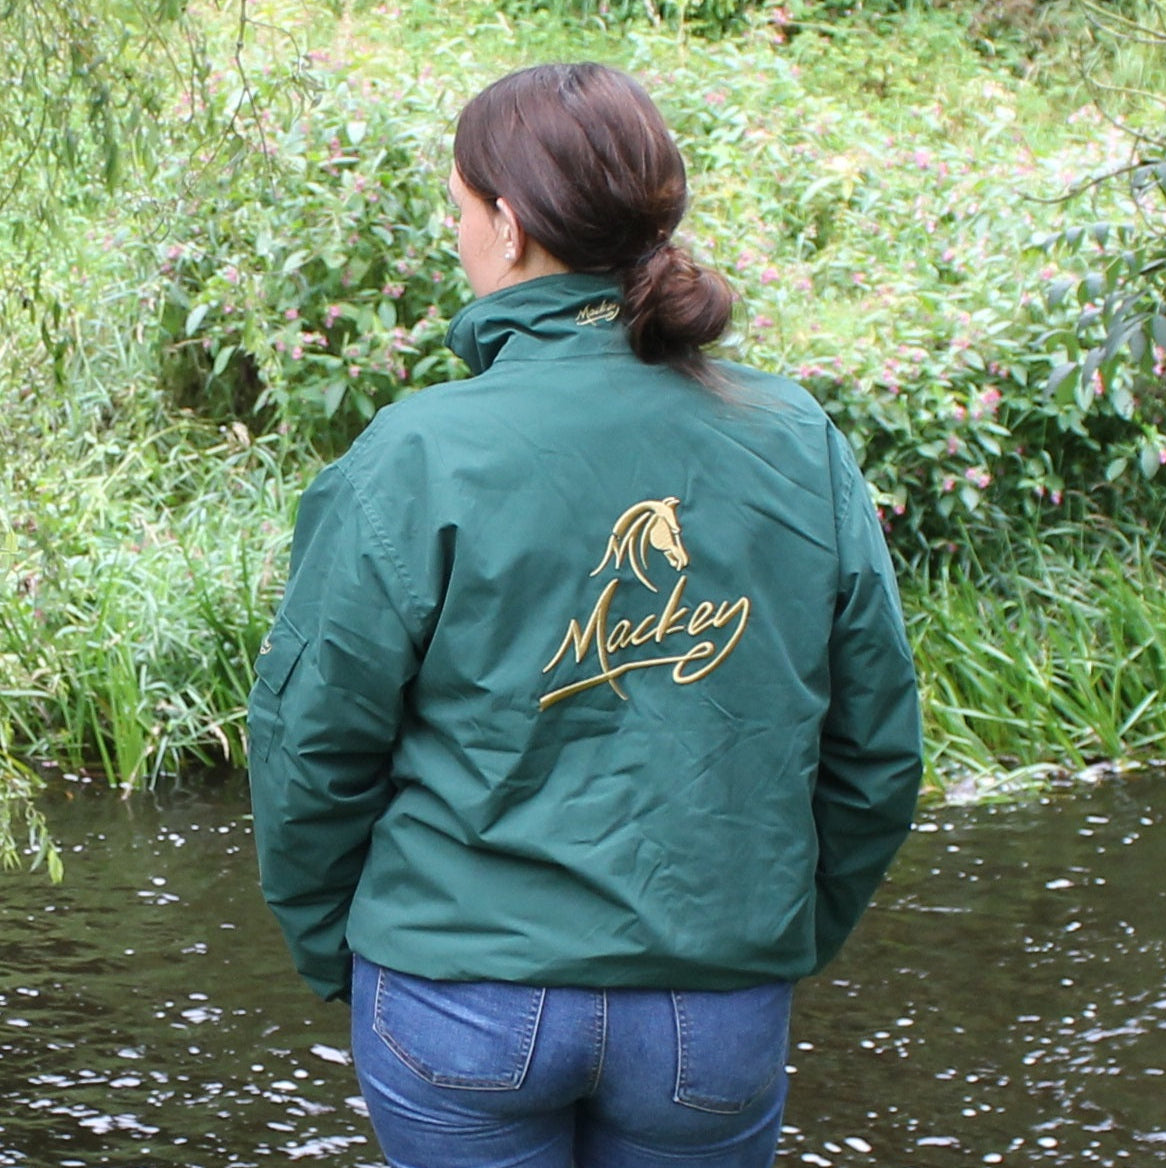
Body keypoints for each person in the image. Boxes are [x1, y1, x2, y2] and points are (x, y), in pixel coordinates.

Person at [248, 62, 922, 1168]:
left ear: (508, 225)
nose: (457, 234)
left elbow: (311, 744)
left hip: (456, 998)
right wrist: (771, 938)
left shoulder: (422, 451)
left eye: (459, 209)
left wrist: (347, 950)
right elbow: (877, 748)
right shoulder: (797, 439)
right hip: (711, 1011)